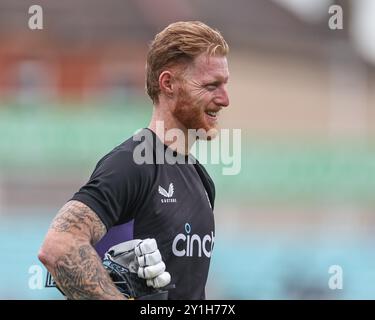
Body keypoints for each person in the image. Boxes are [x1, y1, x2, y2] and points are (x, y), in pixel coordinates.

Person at [38, 20, 230, 300]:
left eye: (225, 85)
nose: (225, 99)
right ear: (168, 84)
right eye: (211, 85)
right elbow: (58, 246)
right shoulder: (133, 163)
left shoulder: (201, 179)